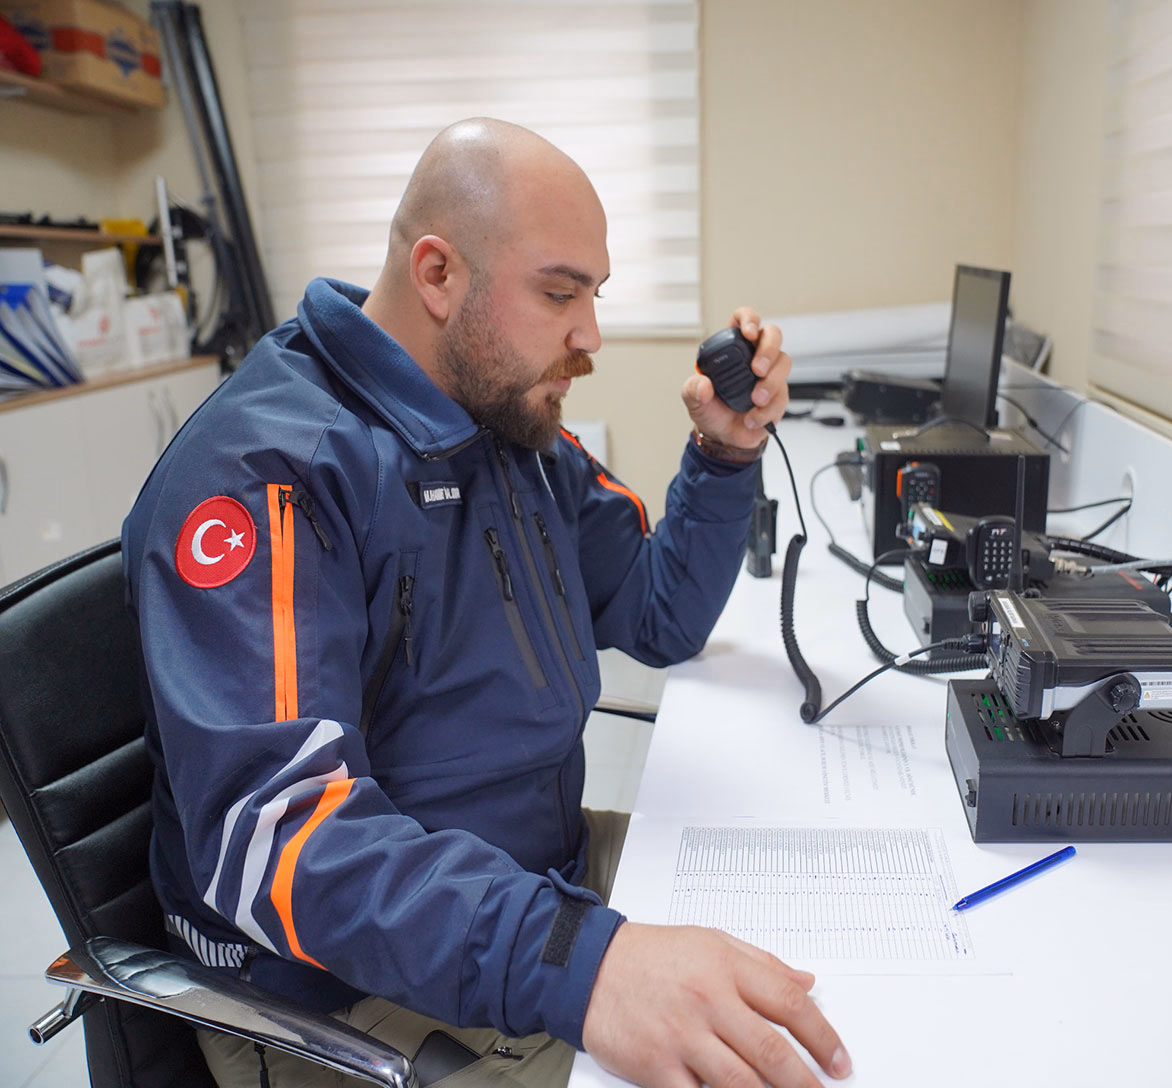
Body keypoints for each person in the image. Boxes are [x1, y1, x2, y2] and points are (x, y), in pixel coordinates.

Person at [121, 118, 851, 1088]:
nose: (588, 332)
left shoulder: (506, 424)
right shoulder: (268, 473)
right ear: (437, 274)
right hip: (342, 977)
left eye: (593, 293)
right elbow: (277, 833)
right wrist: (578, 963)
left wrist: (723, 454)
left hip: (524, 877)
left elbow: (657, 610)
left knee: (820, 923)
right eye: (560, 292)